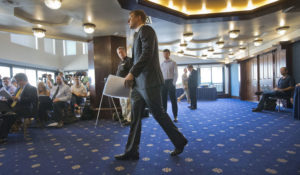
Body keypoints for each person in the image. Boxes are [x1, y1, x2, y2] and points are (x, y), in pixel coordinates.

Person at [115, 10, 187, 161]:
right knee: (135, 118)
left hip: (149, 82)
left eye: (131, 17)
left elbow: (146, 54)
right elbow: (137, 60)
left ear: (139, 17)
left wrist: (131, 73)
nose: (128, 20)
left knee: (158, 114)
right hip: (138, 85)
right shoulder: (136, 35)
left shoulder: (147, 30)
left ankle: (179, 141)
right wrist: (132, 76)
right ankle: (131, 151)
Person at [0, 73, 38, 143]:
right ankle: (2, 133)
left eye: (17, 81)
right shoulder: (18, 88)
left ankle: (2, 137)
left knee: (9, 115)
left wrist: (19, 98)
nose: (16, 83)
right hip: (15, 107)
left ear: (23, 80)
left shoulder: (32, 88)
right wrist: (9, 98)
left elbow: (31, 100)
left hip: (25, 109)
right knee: (3, 112)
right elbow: (14, 98)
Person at [160, 49, 179, 122]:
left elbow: (176, 74)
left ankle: (175, 116)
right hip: (164, 82)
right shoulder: (162, 64)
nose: (165, 55)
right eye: (164, 54)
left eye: (166, 54)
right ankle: (164, 116)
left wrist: (173, 83)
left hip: (171, 82)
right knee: (163, 100)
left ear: (169, 54)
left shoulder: (173, 63)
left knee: (173, 100)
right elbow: (161, 74)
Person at [116, 46, 133, 125]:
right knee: (122, 103)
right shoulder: (120, 63)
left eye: (121, 52)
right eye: (119, 53)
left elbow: (131, 73)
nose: (120, 54)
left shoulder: (129, 60)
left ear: (125, 52)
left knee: (128, 103)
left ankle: (129, 119)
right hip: (120, 85)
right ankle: (125, 117)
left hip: (127, 85)